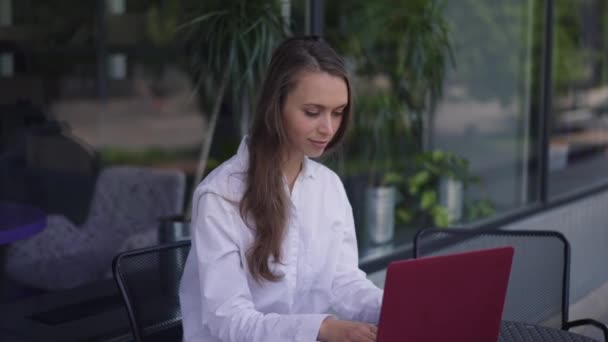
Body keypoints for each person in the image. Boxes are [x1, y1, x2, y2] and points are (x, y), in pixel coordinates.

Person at [179, 36, 383, 342]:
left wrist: (400, 307)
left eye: (338, 112)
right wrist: (321, 328)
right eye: (313, 112)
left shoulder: (328, 187)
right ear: (276, 106)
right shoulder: (220, 196)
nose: (328, 128)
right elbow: (229, 321)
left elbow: (343, 282)